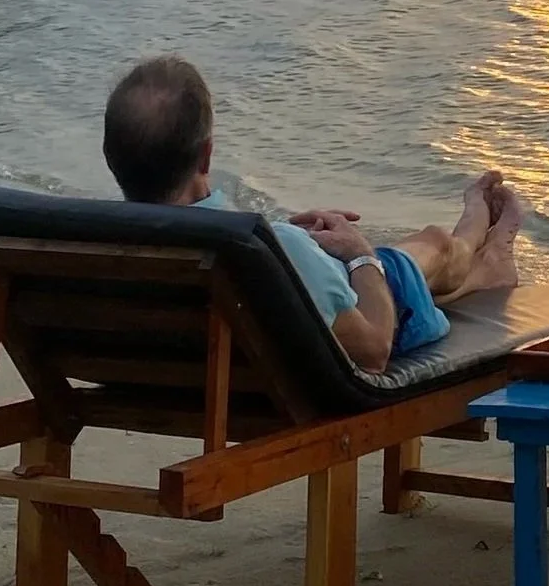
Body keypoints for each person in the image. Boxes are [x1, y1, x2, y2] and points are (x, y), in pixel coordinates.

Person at [100, 54, 523, 374]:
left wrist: (286, 238)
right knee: (437, 245)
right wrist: (359, 255)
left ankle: (485, 269)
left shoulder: (90, 242)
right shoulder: (267, 249)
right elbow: (374, 351)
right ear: (206, 155)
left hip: (203, 366)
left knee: (417, 261)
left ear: (111, 158)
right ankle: (481, 235)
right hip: (360, 313)